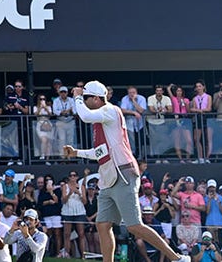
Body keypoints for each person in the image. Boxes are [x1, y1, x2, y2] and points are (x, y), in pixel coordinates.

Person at [64, 80, 189, 262]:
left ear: (97, 99)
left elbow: (85, 116)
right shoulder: (102, 121)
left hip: (123, 174)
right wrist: (77, 152)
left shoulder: (110, 110)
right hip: (109, 178)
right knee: (102, 224)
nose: (84, 101)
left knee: (134, 226)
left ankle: (177, 258)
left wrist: (76, 98)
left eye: (86, 98)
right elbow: (100, 152)